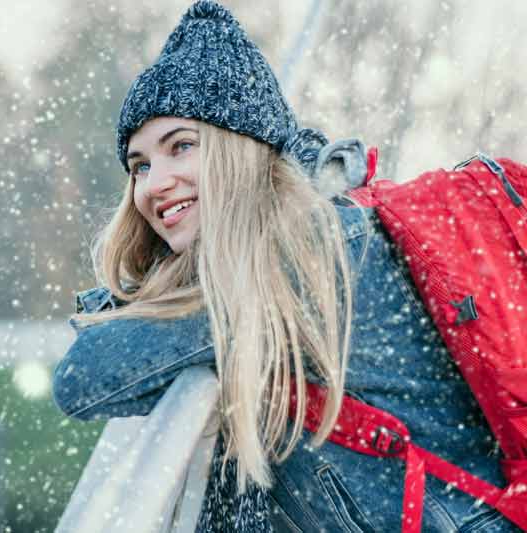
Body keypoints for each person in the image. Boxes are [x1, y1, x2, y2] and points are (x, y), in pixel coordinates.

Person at [53, 1, 518, 531]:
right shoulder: (318, 227)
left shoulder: (296, 258)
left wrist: (155, 283)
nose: (153, 183)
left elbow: (85, 380)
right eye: (139, 165)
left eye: (180, 146)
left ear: (240, 151)